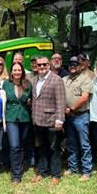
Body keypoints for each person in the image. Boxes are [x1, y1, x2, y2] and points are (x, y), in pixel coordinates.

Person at [32, 56, 66, 185]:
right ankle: (42, 172)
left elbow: (61, 101)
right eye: (39, 65)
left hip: (52, 121)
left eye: (44, 64)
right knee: (41, 147)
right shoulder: (35, 80)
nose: (41, 67)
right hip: (38, 120)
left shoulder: (56, 80)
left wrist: (60, 119)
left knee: (54, 148)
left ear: (49, 65)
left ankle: (55, 174)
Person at [63, 55, 94, 180]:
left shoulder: (85, 79)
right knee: (71, 143)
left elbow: (84, 97)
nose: (72, 67)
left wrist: (71, 109)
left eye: (75, 64)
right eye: (71, 64)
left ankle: (86, 171)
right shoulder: (64, 79)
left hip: (81, 116)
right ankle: (73, 167)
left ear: (80, 66)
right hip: (68, 117)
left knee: (84, 144)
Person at [3, 62, 32, 184]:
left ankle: (20, 166)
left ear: (22, 71)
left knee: (22, 145)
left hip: (24, 118)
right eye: (14, 70)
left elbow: (30, 100)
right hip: (11, 118)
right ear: (11, 72)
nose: (17, 72)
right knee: (14, 145)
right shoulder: (6, 84)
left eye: (19, 70)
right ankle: (16, 175)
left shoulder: (27, 84)